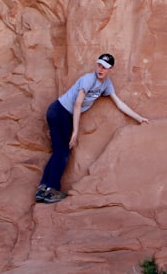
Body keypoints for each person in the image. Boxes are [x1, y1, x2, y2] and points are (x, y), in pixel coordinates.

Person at [36, 53, 149, 204]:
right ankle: (51, 189)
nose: (101, 69)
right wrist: (75, 131)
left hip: (62, 113)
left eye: (105, 67)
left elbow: (119, 103)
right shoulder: (89, 79)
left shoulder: (106, 84)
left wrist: (139, 118)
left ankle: (43, 188)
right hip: (59, 111)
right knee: (63, 152)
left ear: (111, 69)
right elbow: (77, 104)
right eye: (99, 65)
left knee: (59, 151)